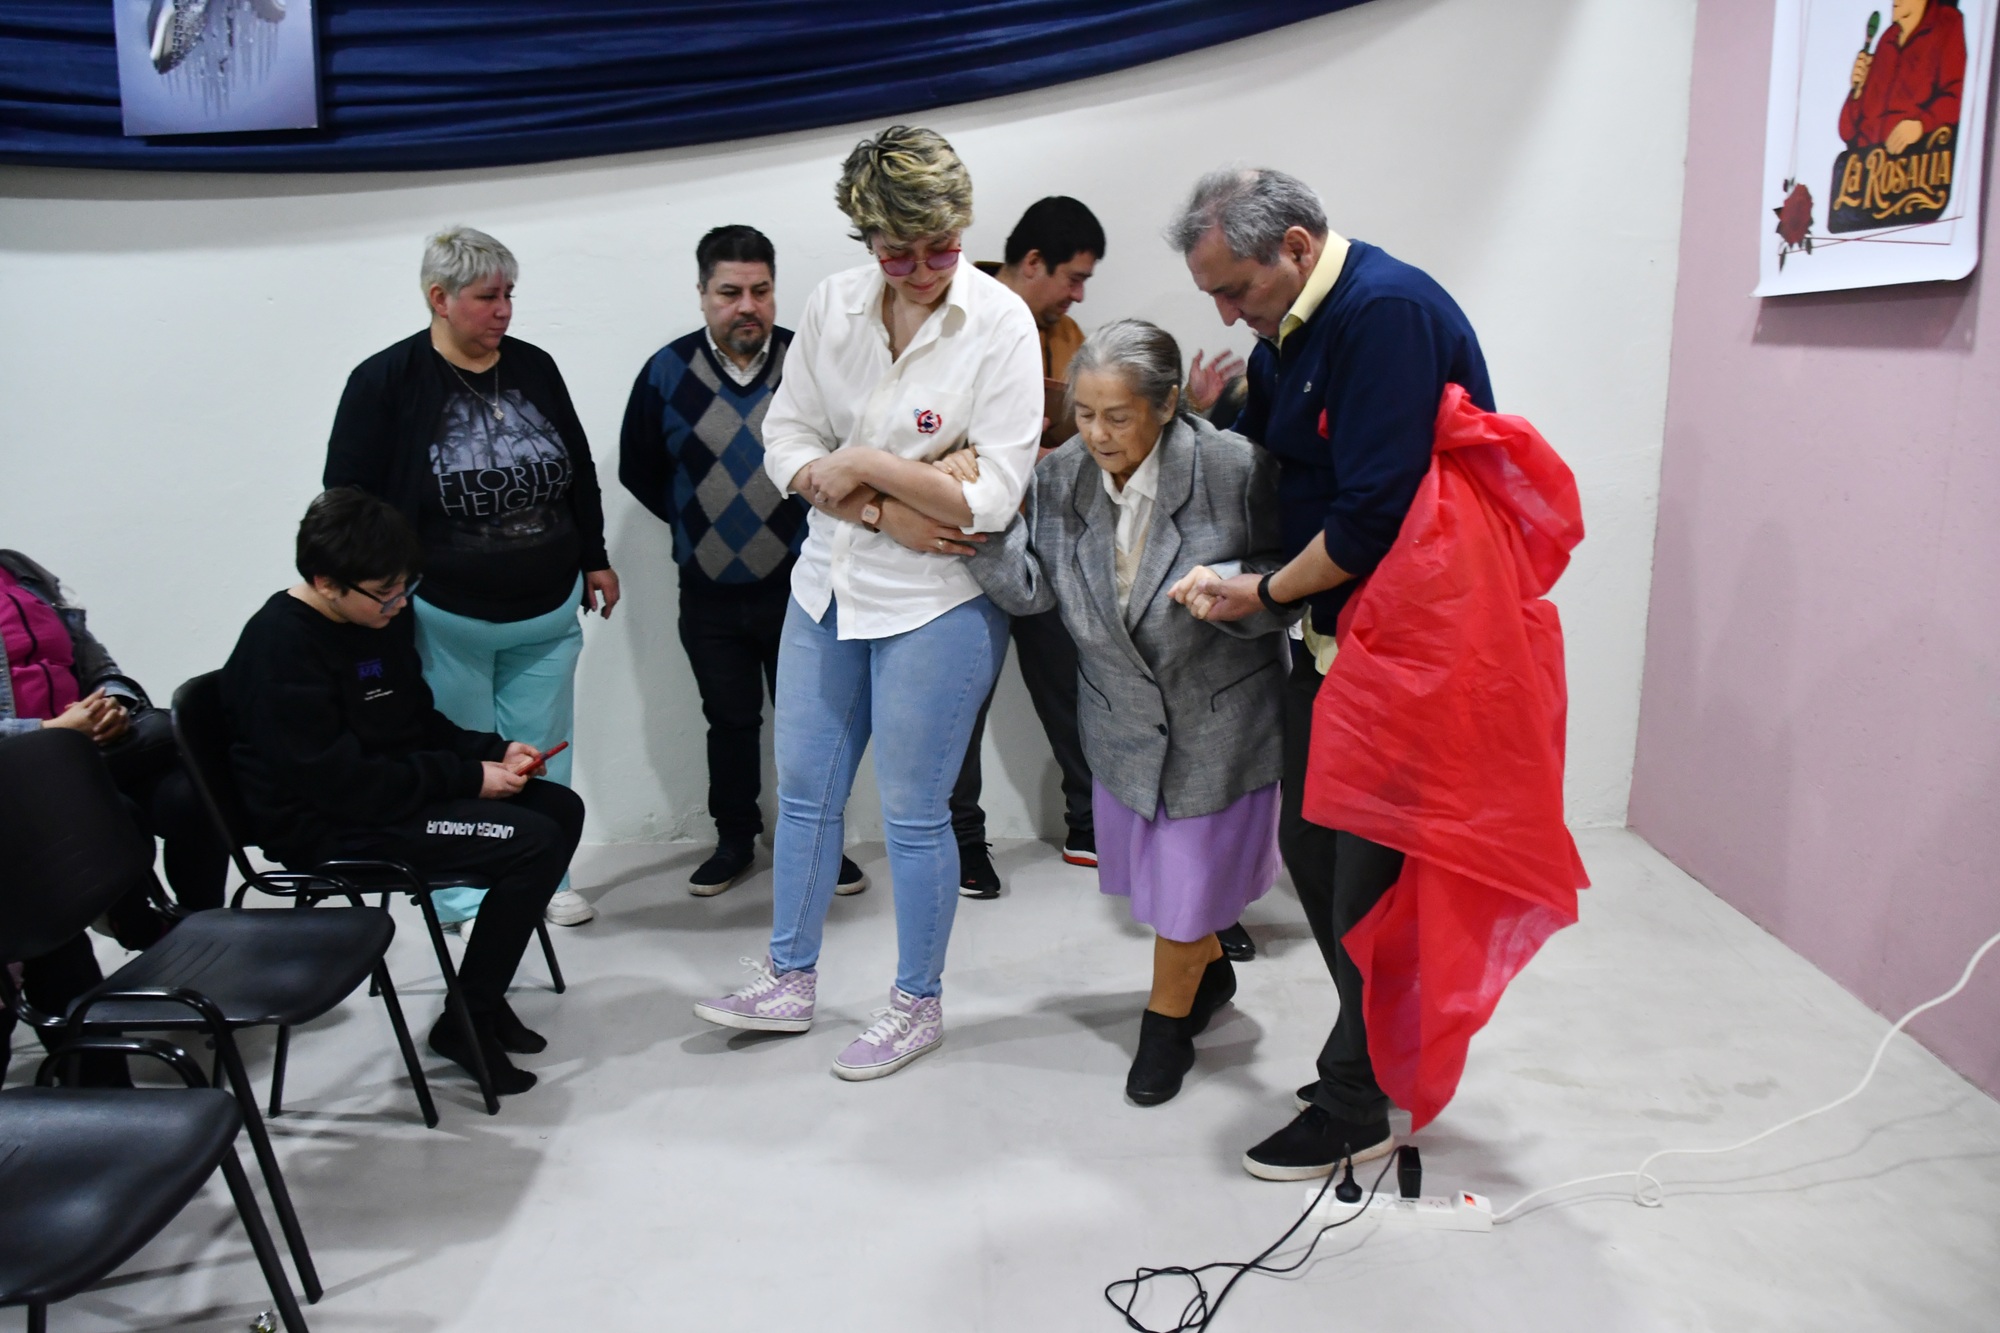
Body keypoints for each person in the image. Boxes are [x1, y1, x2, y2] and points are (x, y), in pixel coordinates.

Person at [692, 125, 1041, 1081]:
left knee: (914, 814)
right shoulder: (833, 305)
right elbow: (787, 440)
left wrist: (863, 464)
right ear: (864, 236)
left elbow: (988, 500)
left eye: (942, 246)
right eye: (899, 251)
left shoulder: (1002, 322)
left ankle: (914, 1005)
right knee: (802, 795)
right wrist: (896, 498)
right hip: (829, 584)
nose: (923, 269)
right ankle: (788, 975)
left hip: (940, 601)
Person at [1165, 168, 1494, 1178]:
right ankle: (1372, 1055)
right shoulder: (1295, 330)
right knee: (1311, 847)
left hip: (1403, 648)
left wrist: (1257, 596)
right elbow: (1292, 455)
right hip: (1331, 639)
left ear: (1297, 247)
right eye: (1211, 295)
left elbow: (1368, 517)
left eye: (1237, 291)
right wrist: (1212, 409)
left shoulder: (1381, 315)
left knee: (1370, 880)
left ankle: (1357, 1095)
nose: (1227, 313)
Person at [965, 319, 1294, 1104]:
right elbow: (1035, 586)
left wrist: (1236, 595)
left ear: (1168, 404)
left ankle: (1165, 1028)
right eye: (1082, 413)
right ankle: (1207, 978)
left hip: (1219, 724)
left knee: (1184, 897)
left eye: (1117, 415)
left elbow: (1287, 577)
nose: (1096, 434)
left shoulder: (1232, 467)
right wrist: (973, 527)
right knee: (1169, 892)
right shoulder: (1062, 477)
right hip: (1119, 724)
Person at [220, 489, 584, 1097]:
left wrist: (491, 751)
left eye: (406, 586)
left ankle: (477, 1005)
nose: (398, 602)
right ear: (326, 582)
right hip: (329, 825)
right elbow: (339, 784)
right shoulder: (280, 649)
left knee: (559, 810)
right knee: (532, 841)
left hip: (385, 796)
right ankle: (469, 1017)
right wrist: (467, 780)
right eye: (384, 591)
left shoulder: (376, 623)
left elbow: (416, 725)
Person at [325, 225, 615, 933]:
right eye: (488, 297)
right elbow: (346, 498)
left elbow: (576, 467)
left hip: (546, 612)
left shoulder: (535, 368)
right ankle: (462, 889)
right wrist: (372, 594)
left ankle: (549, 872)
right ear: (440, 298)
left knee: (541, 749)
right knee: (465, 755)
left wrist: (595, 556)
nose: (504, 311)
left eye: (509, 295)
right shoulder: (384, 382)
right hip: (443, 614)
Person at [618, 225, 865, 899]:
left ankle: (816, 843)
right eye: (729, 292)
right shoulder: (666, 372)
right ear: (702, 295)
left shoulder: (808, 365)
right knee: (727, 720)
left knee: (811, 724)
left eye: (760, 290)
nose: (746, 305)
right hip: (708, 592)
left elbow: (852, 451)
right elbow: (639, 468)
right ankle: (735, 838)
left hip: (806, 586)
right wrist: (701, 525)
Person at [951, 196, 1107, 898]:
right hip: (963, 550)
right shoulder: (954, 314)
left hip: (1050, 551)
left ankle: (1091, 823)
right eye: (1073, 277)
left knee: (1073, 687)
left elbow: (1091, 438)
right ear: (1033, 261)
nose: (1078, 294)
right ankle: (962, 841)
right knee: (960, 702)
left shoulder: (1070, 336)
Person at [1, 548, 226, 938]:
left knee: (194, 796)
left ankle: (204, 926)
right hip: (23, 770)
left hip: (90, 749)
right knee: (116, 815)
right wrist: (52, 729)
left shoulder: (21, 571)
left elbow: (98, 663)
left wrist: (115, 703)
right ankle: (138, 930)